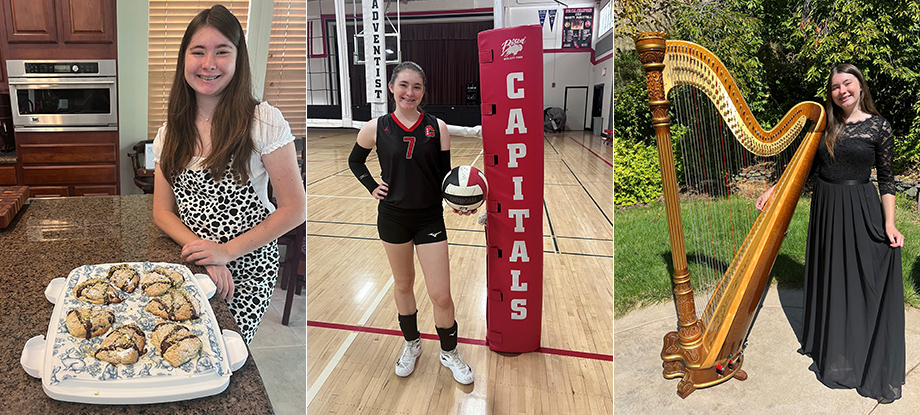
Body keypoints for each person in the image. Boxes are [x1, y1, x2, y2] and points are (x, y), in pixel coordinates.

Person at [152, 5, 306, 345]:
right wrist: (204, 253)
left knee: (223, 351)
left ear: (238, 59)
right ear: (184, 59)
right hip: (193, 261)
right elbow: (162, 211)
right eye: (198, 52)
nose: (209, 64)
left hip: (248, 267)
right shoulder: (169, 132)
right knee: (179, 345)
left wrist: (226, 252)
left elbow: (296, 209)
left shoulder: (263, 121)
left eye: (222, 52)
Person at [756, 63, 904, 403]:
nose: (842, 91)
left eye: (847, 84)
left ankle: (860, 342)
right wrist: (774, 190)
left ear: (860, 86)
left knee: (863, 274)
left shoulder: (879, 126)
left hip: (860, 205)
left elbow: (886, 178)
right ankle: (831, 340)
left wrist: (890, 223)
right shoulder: (824, 124)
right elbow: (801, 165)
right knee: (829, 275)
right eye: (835, 87)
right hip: (826, 207)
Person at [348, 61, 475, 385]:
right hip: (393, 218)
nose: (410, 92)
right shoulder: (376, 127)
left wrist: (455, 201)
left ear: (423, 91)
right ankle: (412, 344)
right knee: (403, 285)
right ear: (392, 87)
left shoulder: (438, 127)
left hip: (429, 217)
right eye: (403, 85)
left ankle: (450, 352)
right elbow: (355, 160)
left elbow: (443, 176)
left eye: (417, 87)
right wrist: (371, 185)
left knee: (440, 294)